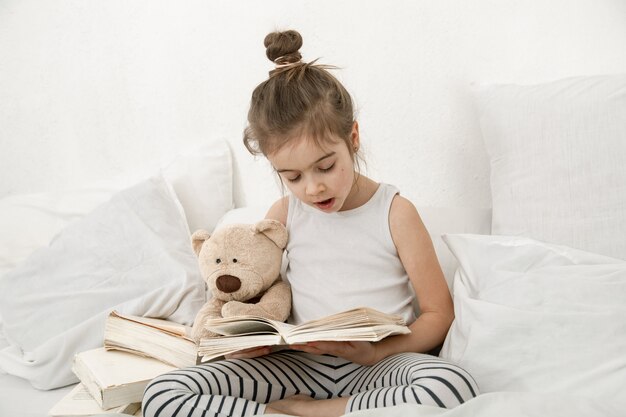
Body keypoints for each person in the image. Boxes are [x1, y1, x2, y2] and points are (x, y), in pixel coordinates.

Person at [142, 29, 479, 417]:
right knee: (164, 392)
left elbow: (439, 314)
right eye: (293, 176)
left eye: (325, 167)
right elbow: (259, 296)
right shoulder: (283, 215)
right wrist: (251, 339)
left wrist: (377, 351)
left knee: (453, 386)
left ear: (352, 138)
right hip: (297, 365)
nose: (314, 188)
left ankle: (312, 412)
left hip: (378, 367)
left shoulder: (395, 212)